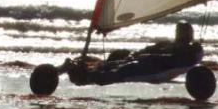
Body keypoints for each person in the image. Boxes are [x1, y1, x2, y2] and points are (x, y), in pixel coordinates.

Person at [68, 21, 202, 86]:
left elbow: (174, 60)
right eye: (178, 31)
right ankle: (85, 69)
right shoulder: (169, 44)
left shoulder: (191, 48)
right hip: (145, 62)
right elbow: (150, 48)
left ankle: (87, 78)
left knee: (121, 72)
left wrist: (150, 56)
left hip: (156, 70)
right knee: (115, 62)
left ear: (190, 33)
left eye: (183, 31)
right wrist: (138, 54)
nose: (180, 34)